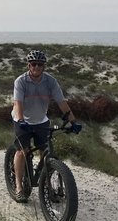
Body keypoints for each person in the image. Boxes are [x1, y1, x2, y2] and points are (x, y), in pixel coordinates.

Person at [11, 49, 81, 202]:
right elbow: (18, 103)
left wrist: (74, 122)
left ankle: (46, 184)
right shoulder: (20, 81)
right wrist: (21, 120)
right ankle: (18, 187)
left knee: (45, 152)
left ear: (44, 66)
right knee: (23, 151)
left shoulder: (51, 82)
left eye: (40, 64)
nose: (36, 67)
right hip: (21, 120)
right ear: (29, 65)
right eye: (34, 64)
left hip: (41, 121)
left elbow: (62, 103)